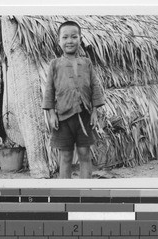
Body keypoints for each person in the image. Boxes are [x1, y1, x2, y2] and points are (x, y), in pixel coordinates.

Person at [42, 21, 105, 178]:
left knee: (84, 153)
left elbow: (95, 87)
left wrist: (95, 112)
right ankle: (65, 192)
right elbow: (49, 90)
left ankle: (85, 191)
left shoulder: (87, 63)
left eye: (74, 37)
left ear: (80, 39)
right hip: (63, 117)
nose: (69, 41)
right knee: (66, 156)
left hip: (84, 115)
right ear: (59, 41)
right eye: (65, 37)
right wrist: (51, 114)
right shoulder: (54, 64)